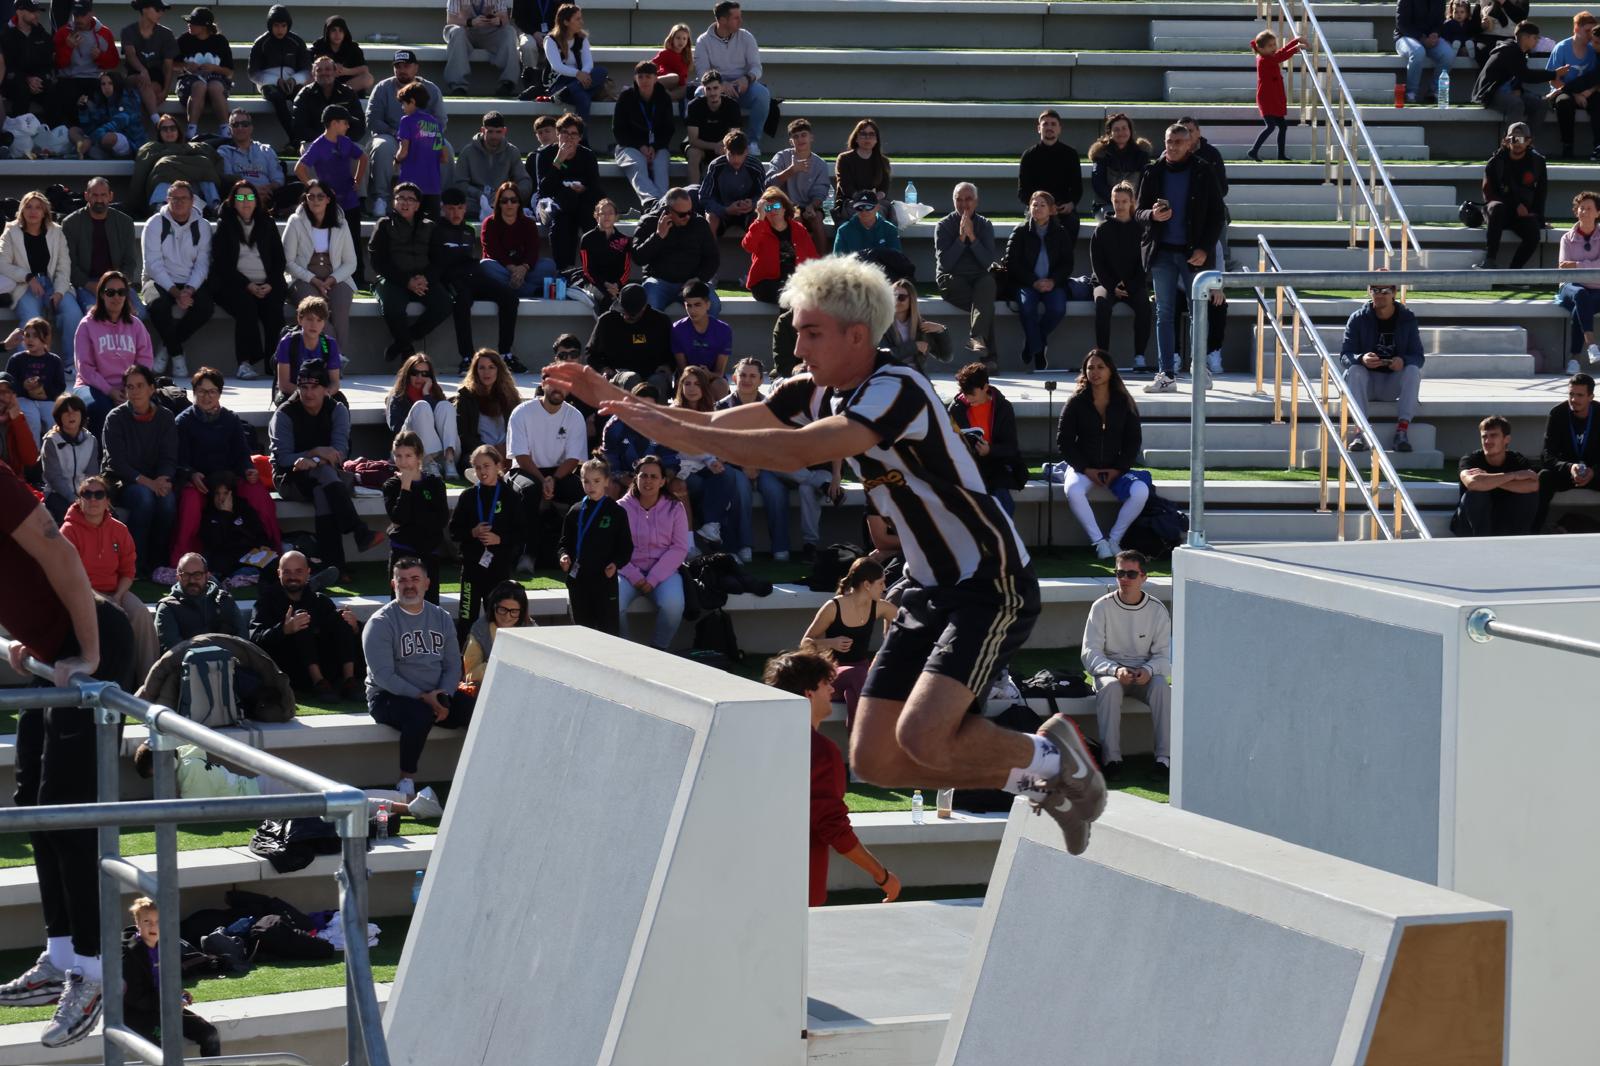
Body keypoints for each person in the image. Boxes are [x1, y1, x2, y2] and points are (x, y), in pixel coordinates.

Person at [544, 256, 1107, 853]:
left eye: (811, 332)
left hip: (989, 580)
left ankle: (1052, 755)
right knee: (879, 759)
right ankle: (1046, 782)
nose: (797, 343)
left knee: (922, 734)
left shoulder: (899, 390)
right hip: (925, 584)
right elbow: (715, 422)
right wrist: (624, 403)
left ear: (856, 336)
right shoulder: (820, 391)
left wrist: (653, 420)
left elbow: (790, 451)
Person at [0, 459, 137, 1051]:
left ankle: (97, 972)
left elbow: (58, 551)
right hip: (51, 654)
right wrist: (30, 643)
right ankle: (60, 956)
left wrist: (86, 652)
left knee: (70, 814)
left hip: (91, 646)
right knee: (34, 801)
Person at [763, 649, 900, 906]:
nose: (831, 691)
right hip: (796, 888)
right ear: (809, 693)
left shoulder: (757, 741)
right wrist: (882, 876)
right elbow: (833, 828)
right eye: (826, 684)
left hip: (751, 880)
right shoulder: (821, 751)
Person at [714, 357, 837, 562]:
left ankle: (780, 547)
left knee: (776, 491)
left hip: (765, 466)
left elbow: (773, 443)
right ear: (734, 377)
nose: (747, 380)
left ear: (761, 380)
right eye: (743, 375)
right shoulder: (721, 406)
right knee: (742, 490)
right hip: (733, 466)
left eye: (752, 376)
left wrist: (757, 464)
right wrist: (743, 464)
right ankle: (744, 545)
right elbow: (719, 444)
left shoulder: (772, 407)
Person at [268, 359, 385, 573]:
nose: (308, 393)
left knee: (322, 491)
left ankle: (334, 567)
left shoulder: (337, 410)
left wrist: (312, 461)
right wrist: (315, 452)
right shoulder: (284, 414)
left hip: (325, 477)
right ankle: (358, 531)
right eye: (303, 387)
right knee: (324, 474)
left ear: (326, 389)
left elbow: (339, 453)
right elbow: (283, 459)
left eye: (314, 387)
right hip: (289, 479)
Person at [364, 557, 467, 796]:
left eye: (415, 579)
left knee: (474, 708)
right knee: (419, 713)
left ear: (427, 583)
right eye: (403, 580)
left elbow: (453, 665)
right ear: (393, 584)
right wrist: (424, 697)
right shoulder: (380, 622)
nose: (409, 585)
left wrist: (443, 695)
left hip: (436, 693)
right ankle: (405, 781)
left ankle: (477, 774)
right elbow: (384, 676)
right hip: (389, 697)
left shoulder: (441, 617)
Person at [1135, 122, 1225, 393]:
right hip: (1162, 252)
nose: (1172, 146)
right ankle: (1166, 374)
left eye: (1178, 142)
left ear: (1189, 144)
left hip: (1193, 254)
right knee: (1164, 313)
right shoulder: (1153, 171)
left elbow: (1217, 215)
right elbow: (1138, 212)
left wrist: (1204, 249)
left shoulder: (1203, 171)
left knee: (1199, 310)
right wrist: (1152, 215)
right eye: (1168, 141)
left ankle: (1200, 369)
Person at [170, 366, 280, 566]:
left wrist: (248, 469)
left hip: (229, 480)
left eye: (212, 391)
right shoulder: (183, 422)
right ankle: (183, 560)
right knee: (190, 502)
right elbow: (178, 461)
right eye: (202, 391)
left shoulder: (231, 419)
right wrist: (191, 474)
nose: (207, 396)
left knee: (258, 494)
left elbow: (242, 454)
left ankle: (274, 552)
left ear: (219, 393)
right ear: (194, 393)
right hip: (200, 484)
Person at [1081, 549, 1171, 782]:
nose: (1124, 579)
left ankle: (1165, 759)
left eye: (1131, 574)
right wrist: (1114, 670)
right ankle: (1111, 759)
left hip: (1145, 674)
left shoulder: (1157, 610)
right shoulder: (1101, 607)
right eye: (1120, 573)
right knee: (1110, 688)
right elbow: (1089, 653)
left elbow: (1164, 657)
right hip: (1111, 673)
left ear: (1144, 577)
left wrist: (1149, 670)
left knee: (1162, 687)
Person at [59, 471, 159, 675]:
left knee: (140, 614)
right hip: (83, 594)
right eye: (87, 494)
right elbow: (68, 576)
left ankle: (150, 682)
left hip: (115, 591)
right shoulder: (68, 531)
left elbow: (128, 570)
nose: (92, 499)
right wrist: (104, 601)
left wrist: (118, 596)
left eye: (99, 494)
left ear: (108, 501)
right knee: (114, 618)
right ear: (79, 500)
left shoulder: (120, 530)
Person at [1055, 350, 1149, 557]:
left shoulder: (1124, 402)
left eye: (1100, 367)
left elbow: (1133, 440)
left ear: (1110, 370)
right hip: (1083, 468)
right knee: (1073, 490)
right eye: (1090, 368)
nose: (1095, 372)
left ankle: (1114, 540)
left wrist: (1118, 469)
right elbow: (1064, 441)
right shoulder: (1076, 402)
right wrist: (1085, 469)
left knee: (1141, 491)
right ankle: (1099, 543)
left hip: (1116, 468)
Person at [249, 548, 362, 699]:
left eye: (298, 571)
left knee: (341, 618)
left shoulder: (320, 600)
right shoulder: (266, 603)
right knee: (301, 617)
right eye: (287, 572)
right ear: (279, 573)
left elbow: (342, 633)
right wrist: (284, 629)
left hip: (326, 665)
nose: (292, 577)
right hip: (292, 668)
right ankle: (318, 682)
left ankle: (349, 680)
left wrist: (354, 627)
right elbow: (255, 639)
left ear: (308, 573)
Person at [100, 363, 177, 579]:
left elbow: (169, 456)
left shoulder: (165, 417)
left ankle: (159, 560)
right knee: (144, 498)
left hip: (155, 479)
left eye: (140, 386)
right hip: (122, 482)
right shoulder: (115, 418)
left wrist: (163, 479)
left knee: (168, 500)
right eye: (130, 387)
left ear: (152, 388)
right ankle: (135, 562)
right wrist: (149, 483)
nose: (134, 392)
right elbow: (116, 463)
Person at [433, 189, 520, 374]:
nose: (456, 213)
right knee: (462, 301)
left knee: (510, 297)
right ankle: (467, 358)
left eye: (460, 208)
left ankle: (505, 354)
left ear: (465, 209)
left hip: (474, 276)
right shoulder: (435, 230)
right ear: (443, 209)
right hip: (451, 279)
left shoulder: (469, 230)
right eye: (451, 208)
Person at [800, 557, 892, 729]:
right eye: (881, 583)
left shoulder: (880, 607)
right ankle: (870, 737)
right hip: (832, 672)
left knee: (853, 692)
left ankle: (858, 744)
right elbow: (805, 643)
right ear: (867, 585)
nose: (884, 588)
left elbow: (905, 622)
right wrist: (831, 643)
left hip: (860, 675)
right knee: (858, 676)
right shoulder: (834, 607)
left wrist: (886, 645)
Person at [0, 193, 85, 380]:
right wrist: (28, 277)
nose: (33, 211)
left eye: (38, 207)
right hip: (25, 285)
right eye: (29, 206)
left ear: (45, 211)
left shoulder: (56, 231)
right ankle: (27, 369)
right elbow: (3, 263)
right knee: (31, 319)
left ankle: (71, 365)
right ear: (22, 209)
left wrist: (60, 292)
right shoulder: (11, 231)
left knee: (73, 313)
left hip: (54, 284)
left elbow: (64, 266)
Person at [505, 366, 585, 561]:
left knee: (582, 492)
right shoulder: (522, 412)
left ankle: (574, 552)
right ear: (543, 384)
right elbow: (521, 456)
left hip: (559, 472)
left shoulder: (575, 416)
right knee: (530, 490)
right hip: (524, 470)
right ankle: (526, 553)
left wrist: (554, 479)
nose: (558, 388)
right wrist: (543, 481)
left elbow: (574, 458)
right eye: (553, 383)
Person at [211, 180, 287, 378]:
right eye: (241, 197)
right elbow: (222, 264)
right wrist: (248, 285)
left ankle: (275, 364)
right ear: (233, 201)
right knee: (246, 308)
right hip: (234, 285)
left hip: (268, 284)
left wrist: (270, 283)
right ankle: (245, 363)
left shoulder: (267, 223)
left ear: (256, 201)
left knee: (274, 312)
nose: (246, 202)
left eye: (250, 197)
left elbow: (279, 259)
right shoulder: (225, 224)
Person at [1339, 279, 1424, 452]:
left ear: (1394, 292)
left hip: (1392, 382)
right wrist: (1361, 358)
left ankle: (1402, 431)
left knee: (1413, 371)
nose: (1379, 294)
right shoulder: (1357, 318)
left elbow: (1418, 356)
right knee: (1354, 370)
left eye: (1385, 290)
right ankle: (1360, 432)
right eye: (1375, 290)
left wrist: (1403, 361)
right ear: (1369, 291)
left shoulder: (1407, 318)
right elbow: (1345, 355)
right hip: (1366, 382)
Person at [139, 180, 213, 378]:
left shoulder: (203, 225)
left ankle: (167, 348)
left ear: (192, 200)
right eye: (174, 198)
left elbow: (202, 263)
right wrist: (175, 292)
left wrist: (188, 290)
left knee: (205, 308)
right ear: (167, 200)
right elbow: (154, 264)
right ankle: (178, 355)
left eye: (183, 198)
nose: (179, 202)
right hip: (157, 280)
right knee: (157, 306)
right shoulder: (154, 223)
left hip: (190, 282)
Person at [614, 453, 688, 649]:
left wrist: (653, 578)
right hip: (627, 572)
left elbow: (679, 547)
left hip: (664, 573)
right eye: (643, 475)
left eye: (654, 476)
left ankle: (658, 650)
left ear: (663, 481)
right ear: (635, 478)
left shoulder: (675, 508)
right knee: (612, 603)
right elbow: (613, 547)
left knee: (673, 606)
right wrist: (634, 575)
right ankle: (626, 651)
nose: (648, 480)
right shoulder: (619, 508)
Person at [372, 182, 452, 363]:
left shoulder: (430, 226)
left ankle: (402, 342)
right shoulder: (384, 225)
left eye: (410, 199)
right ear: (394, 202)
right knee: (393, 307)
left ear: (417, 205)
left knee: (444, 305)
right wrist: (406, 281)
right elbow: (378, 262)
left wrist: (425, 278)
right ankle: (407, 350)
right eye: (400, 198)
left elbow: (439, 260)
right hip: (394, 279)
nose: (404, 203)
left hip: (423, 279)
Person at [366, 50, 449, 218]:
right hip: (390, 135)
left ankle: (443, 199)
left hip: (421, 137)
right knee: (383, 146)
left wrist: (418, 137)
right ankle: (382, 198)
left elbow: (441, 121)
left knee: (447, 146)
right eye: (398, 66)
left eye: (406, 66)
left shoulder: (431, 89)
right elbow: (372, 119)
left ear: (416, 68)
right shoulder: (382, 88)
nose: (402, 69)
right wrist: (398, 134)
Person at [450, 445, 522, 638]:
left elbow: (521, 533)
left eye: (487, 466)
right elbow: (453, 531)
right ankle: (464, 664)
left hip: (498, 569)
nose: (482, 471)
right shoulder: (469, 496)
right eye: (478, 467)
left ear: (498, 465)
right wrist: (472, 532)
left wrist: (500, 539)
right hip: (472, 569)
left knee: (498, 620)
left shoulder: (510, 496)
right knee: (466, 618)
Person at [294, 104, 367, 286]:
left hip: (350, 201)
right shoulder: (318, 145)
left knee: (355, 241)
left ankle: (358, 279)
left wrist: (357, 180)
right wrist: (316, 189)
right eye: (344, 123)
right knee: (332, 244)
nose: (347, 126)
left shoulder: (345, 141)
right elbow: (299, 168)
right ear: (334, 123)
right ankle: (335, 277)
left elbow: (363, 157)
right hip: (331, 205)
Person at [673, 365, 743, 553]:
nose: (692, 388)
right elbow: (684, 448)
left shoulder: (713, 411)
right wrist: (710, 460)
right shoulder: (673, 412)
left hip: (706, 466)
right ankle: (706, 541)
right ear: (681, 387)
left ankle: (718, 535)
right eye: (687, 384)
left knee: (729, 479)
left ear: (704, 388)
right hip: (681, 468)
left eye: (697, 384)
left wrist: (718, 459)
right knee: (707, 488)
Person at [72, 269, 152, 433]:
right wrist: (110, 391)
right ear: (101, 294)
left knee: (155, 409)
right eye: (110, 292)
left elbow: (145, 361)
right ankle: (102, 457)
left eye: (121, 292)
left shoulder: (136, 325)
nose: (116, 297)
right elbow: (85, 368)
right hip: (92, 386)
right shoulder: (87, 325)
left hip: (129, 387)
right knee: (99, 409)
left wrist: (131, 389)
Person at [559, 456, 632, 633]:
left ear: (607, 481)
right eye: (586, 481)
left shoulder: (616, 512)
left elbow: (626, 547)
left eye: (596, 481)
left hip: (604, 581)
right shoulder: (575, 511)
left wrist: (615, 563)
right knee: (582, 630)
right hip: (578, 580)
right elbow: (564, 542)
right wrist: (563, 555)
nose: (591, 486)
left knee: (608, 630)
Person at [283, 179, 357, 353]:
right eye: (311, 196)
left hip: (336, 276)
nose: (315, 201)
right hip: (304, 277)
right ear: (305, 199)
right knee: (317, 313)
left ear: (328, 199)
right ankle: (333, 357)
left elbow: (350, 262)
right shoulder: (295, 221)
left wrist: (332, 279)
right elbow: (288, 262)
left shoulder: (341, 223)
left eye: (320, 196)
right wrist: (314, 280)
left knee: (340, 310)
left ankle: (339, 358)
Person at [62, 178, 143, 336]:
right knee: (98, 315)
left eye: (103, 195)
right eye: (94, 195)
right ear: (86, 196)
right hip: (87, 283)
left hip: (117, 282)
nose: (99, 199)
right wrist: (93, 286)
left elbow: (130, 262)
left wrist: (118, 289)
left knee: (139, 313)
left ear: (110, 196)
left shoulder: (124, 222)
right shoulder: (71, 223)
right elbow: (69, 265)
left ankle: (127, 358)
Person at [1004, 190, 1074, 372]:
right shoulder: (1020, 231)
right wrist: (1033, 281)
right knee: (1027, 307)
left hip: (1053, 283)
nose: (1037, 208)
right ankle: (1038, 350)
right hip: (1027, 284)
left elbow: (1068, 263)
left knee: (1057, 309)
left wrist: (1053, 280)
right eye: (1034, 204)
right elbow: (1011, 262)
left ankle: (1033, 342)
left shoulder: (1060, 232)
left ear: (1051, 210)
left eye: (1042, 205)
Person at [947, 361, 1025, 515]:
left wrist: (990, 450)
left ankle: (1004, 538)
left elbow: (1011, 447)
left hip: (996, 466)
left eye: (972, 394)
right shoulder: (956, 409)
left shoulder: (1003, 408)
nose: (968, 399)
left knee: (1003, 505)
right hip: (968, 466)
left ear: (985, 387)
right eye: (965, 393)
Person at [934, 182, 998, 364]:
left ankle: (978, 340)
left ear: (976, 202)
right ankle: (989, 359)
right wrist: (962, 238)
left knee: (988, 283)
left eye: (968, 199)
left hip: (978, 278)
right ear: (953, 201)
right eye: (959, 199)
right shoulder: (944, 225)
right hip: (952, 279)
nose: (964, 204)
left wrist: (973, 237)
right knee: (985, 305)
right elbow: (946, 264)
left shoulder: (984, 225)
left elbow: (987, 262)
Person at [695, 2, 770, 155]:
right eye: (736, 18)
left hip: (742, 85)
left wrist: (746, 79)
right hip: (715, 84)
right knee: (699, 95)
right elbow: (703, 73)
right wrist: (721, 85)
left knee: (762, 94)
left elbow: (757, 67)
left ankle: (752, 142)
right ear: (722, 20)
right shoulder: (703, 41)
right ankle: (705, 142)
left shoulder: (746, 37)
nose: (740, 21)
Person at [1092, 181, 1152, 370]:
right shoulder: (1102, 229)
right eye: (1116, 201)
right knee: (1102, 304)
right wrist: (1112, 286)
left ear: (1132, 202)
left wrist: (1131, 286)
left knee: (1144, 305)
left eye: (1124, 201)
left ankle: (1140, 356)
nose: (1119, 205)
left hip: (1133, 283)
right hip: (1106, 283)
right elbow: (1098, 264)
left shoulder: (1142, 229)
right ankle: (1103, 357)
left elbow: (1144, 263)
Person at [383, 430, 450, 600]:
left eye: (408, 455)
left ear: (419, 456)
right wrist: (406, 488)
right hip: (402, 553)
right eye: (398, 456)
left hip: (429, 554)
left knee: (431, 605)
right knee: (400, 606)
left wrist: (413, 514)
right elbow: (398, 518)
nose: (403, 461)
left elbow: (441, 520)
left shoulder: (434, 483)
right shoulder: (392, 485)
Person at [1452, 414, 1539, 536]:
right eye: (1484, 437)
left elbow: (1533, 485)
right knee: (1476, 494)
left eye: (1493, 436)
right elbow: (1473, 483)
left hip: (1504, 522)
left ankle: (1519, 541)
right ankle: (1480, 542)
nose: (1487, 441)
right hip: (1471, 526)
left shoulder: (1517, 459)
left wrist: (1487, 480)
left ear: (1506, 439)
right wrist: (1513, 475)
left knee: (1528, 496)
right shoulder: (1470, 459)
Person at [534, 111, 601, 269]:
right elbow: (543, 189)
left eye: (573, 134)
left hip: (580, 202)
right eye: (565, 133)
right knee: (561, 222)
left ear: (579, 138)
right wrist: (558, 161)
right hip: (553, 203)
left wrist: (583, 189)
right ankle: (565, 270)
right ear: (557, 134)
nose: (569, 137)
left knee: (589, 219)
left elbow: (596, 188)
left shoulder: (587, 156)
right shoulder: (545, 155)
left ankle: (593, 270)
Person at [1473, 20, 1567, 128]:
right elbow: (1526, 75)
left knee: (1541, 104)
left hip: (1508, 89)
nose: (1537, 41)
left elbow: (1516, 73)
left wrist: (1516, 87)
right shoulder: (1510, 50)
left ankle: (1527, 141)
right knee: (1516, 104)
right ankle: (1511, 142)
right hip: (1491, 92)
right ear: (1525, 37)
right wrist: (1554, 74)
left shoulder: (1519, 52)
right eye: (1535, 38)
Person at [1535, 372, 1600, 528]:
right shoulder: (1558, 414)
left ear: (1591, 397)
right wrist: (1569, 467)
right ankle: (1533, 530)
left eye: (1579, 395)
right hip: (1566, 473)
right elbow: (1547, 456)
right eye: (1571, 394)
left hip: (1595, 472)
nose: (1573, 400)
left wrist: (1594, 471)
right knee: (1544, 477)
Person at [1480, 121, 1547, 270]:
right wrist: (1515, 205)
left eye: (1521, 139)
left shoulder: (1538, 162)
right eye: (1512, 139)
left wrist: (1538, 218)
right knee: (1497, 208)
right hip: (1499, 212)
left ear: (1529, 141)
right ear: (1506, 140)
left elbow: (1541, 193)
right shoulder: (1496, 161)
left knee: (1533, 234)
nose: (1516, 143)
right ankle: (1490, 260)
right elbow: (1489, 193)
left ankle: (1514, 272)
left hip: (1521, 214)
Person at [586, 282, 674, 393]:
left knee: (658, 382)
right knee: (631, 378)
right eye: (624, 311)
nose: (626, 316)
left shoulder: (661, 321)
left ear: (644, 307)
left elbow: (673, 352)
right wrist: (603, 368)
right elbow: (591, 353)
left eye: (632, 314)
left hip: (652, 374)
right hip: (620, 374)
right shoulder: (607, 321)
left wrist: (668, 366)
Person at [613, 62, 676, 214]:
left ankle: (661, 206)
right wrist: (640, 146)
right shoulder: (626, 97)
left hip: (657, 146)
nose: (644, 80)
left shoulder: (664, 98)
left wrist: (655, 147)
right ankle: (655, 203)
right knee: (637, 163)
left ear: (656, 78)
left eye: (648, 76)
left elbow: (668, 129)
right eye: (640, 76)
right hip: (628, 145)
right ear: (635, 79)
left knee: (660, 165)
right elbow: (618, 130)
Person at [127, 114, 223, 215]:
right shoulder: (152, 148)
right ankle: (158, 206)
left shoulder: (194, 147)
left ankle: (214, 205)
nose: (169, 132)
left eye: (172, 128)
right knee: (164, 166)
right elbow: (141, 171)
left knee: (204, 164)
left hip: (194, 194)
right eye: (164, 129)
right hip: (166, 192)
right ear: (159, 132)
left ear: (178, 130)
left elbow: (215, 163)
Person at [479, 179, 557, 301]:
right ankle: (531, 290)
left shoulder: (529, 223)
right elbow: (493, 252)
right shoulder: (489, 223)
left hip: (524, 270)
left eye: (513, 200)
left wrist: (523, 269)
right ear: (498, 203)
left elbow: (533, 250)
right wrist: (513, 269)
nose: (509, 204)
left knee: (549, 266)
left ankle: (512, 287)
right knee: (484, 266)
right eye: (504, 201)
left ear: (519, 203)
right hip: (501, 268)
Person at [386, 353, 461, 477]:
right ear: (407, 374)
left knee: (445, 406)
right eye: (415, 373)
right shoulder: (397, 397)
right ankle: (429, 462)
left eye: (425, 374)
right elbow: (397, 430)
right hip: (412, 455)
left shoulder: (435, 393)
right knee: (421, 406)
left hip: (442, 457)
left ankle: (450, 461)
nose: (419, 377)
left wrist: (426, 394)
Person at [764, 118, 831, 255]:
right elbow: (769, 184)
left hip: (809, 206)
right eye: (796, 136)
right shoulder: (781, 157)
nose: (800, 139)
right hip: (782, 205)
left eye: (804, 135)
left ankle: (823, 262)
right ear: (791, 141)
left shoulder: (820, 164)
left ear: (811, 137)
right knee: (796, 217)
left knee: (817, 218)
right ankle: (797, 263)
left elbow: (820, 193)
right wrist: (791, 171)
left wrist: (812, 206)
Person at [742, 186, 819, 304]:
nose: (773, 210)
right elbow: (748, 246)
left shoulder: (799, 229)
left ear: (784, 208)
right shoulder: (759, 228)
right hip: (765, 283)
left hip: (795, 281)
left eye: (776, 206)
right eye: (768, 207)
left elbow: (813, 258)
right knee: (789, 297)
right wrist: (760, 217)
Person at [154, 551, 245, 650]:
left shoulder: (225, 600)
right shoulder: (168, 607)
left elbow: (243, 643)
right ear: (178, 577)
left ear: (207, 576)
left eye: (197, 575)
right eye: (185, 575)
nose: (192, 580)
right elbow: (173, 651)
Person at [458, 579, 528, 707]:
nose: (507, 617)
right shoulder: (480, 629)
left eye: (514, 612)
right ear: (494, 606)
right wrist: (500, 663)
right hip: (487, 695)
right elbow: (470, 674)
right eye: (502, 610)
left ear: (522, 612)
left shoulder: (531, 628)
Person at [51, 0, 120, 129]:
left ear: (91, 14)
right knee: (64, 94)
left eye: (82, 15)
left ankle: (95, 131)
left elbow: (114, 62)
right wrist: (68, 48)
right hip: (69, 79)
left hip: (93, 78)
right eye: (76, 15)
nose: (78, 19)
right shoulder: (63, 32)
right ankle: (69, 132)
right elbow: (57, 64)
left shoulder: (104, 33)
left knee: (98, 95)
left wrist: (100, 57)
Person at [1016, 109, 1081, 244]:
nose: (1049, 127)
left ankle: (1064, 264)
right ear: (1038, 128)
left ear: (1059, 129)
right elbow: (1022, 192)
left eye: (1053, 124)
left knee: (1072, 223)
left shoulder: (1071, 154)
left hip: (1062, 209)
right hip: (1037, 207)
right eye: (1045, 124)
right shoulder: (1028, 156)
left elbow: (1077, 189)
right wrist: (1041, 206)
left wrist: (1070, 204)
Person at [454, 349, 521, 477]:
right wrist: (489, 450)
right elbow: (464, 435)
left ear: (498, 370)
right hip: (480, 451)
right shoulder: (466, 397)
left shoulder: (510, 396)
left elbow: (520, 429)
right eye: (482, 368)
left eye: (491, 367)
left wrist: (506, 447)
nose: (486, 372)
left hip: (507, 450)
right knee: (472, 462)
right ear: (475, 371)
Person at [218, 109, 296, 219]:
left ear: (251, 128)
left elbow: (278, 180)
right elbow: (228, 179)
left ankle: (272, 209)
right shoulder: (224, 151)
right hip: (240, 196)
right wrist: (253, 190)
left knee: (299, 187)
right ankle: (275, 211)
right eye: (235, 125)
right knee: (230, 190)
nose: (240, 128)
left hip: (268, 195)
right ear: (230, 129)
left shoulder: (266, 150)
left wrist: (266, 189)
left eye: (244, 124)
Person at [248, 5, 309, 144]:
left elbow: (306, 69)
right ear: (270, 25)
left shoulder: (297, 42)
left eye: (283, 25)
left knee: (303, 98)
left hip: (293, 83)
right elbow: (253, 73)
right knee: (277, 97)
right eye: (276, 25)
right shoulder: (261, 43)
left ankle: (304, 136)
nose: (280, 29)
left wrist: (294, 79)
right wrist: (276, 81)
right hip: (268, 84)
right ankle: (295, 138)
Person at [459, 110, 533, 221]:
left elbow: (524, 181)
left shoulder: (512, 152)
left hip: (502, 203)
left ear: (504, 131)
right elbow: (459, 183)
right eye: (490, 132)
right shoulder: (467, 152)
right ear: (483, 130)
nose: (494, 136)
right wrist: (480, 195)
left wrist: (506, 195)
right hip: (474, 203)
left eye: (498, 132)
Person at [174, 6, 232, 142]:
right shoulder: (183, 40)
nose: (189, 25)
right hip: (189, 83)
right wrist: (187, 66)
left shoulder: (220, 41)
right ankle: (191, 132)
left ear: (204, 26)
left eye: (193, 23)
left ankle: (226, 131)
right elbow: (172, 64)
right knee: (199, 86)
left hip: (216, 81)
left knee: (215, 87)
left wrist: (214, 68)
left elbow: (229, 71)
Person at [1547, 11, 1600, 160]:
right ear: (1576, 29)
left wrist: (1588, 92)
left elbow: (1597, 78)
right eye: (1587, 30)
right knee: (1564, 102)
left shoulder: (1595, 49)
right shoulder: (1562, 47)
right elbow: (1552, 79)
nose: (1591, 35)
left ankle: (1598, 146)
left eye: (1593, 30)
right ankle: (1567, 145)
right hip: (1563, 90)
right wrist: (1575, 94)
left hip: (1587, 93)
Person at [6, 318, 67, 446]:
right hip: (23, 399)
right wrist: (23, 387)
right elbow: (9, 385)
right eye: (27, 335)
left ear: (45, 338)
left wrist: (45, 393)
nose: (30, 339)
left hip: (47, 399)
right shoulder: (16, 359)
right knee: (32, 419)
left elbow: (60, 385)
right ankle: (34, 457)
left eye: (35, 336)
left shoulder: (54, 360)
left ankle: (53, 453)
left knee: (53, 420)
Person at [1558, 190, 1600, 372]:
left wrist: (1576, 265)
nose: (1584, 212)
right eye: (1581, 208)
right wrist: (1589, 266)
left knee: (1580, 307)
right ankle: (1591, 345)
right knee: (1580, 294)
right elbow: (1563, 268)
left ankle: (1574, 359)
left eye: (1589, 208)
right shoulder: (1567, 238)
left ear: (1598, 213)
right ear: (1576, 212)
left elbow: (1571, 266)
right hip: (1570, 286)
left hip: (1597, 289)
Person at [273, 295, 345, 402]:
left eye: (319, 320)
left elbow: (335, 383)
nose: (314, 325)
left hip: (320, 394)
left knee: (341, 401)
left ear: (324, 323)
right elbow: (284, 385)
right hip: (293, 392)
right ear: (300, 319)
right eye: (310, 319)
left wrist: (324, 393)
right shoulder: (288, 342)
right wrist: (307, 394)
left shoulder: (329, 344)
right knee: (285, 402)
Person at [395, 82, 451, 217]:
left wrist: (396, 159)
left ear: (412, 102)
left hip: (411, 187)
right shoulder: (435, 123)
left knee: (408, 227)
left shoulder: (406, 121)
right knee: (430, 229)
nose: (403, 108)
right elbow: (444, 157)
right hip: (433, 185)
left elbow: (404, 151)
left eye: (404, 104)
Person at [443, 0, 519, 98]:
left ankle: (507, 83)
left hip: (489, 33)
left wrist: (498, 20)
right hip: (465, 32)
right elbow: (450, 20)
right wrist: (470, 22)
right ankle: (458, 87)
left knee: (509, 31)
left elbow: (505, 20)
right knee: (456, 32)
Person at [543, 3, 607, 121]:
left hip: (578, 80)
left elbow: (588, 63)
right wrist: (578, 74)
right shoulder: (550, 40)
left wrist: (583, 74)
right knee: (583, 98)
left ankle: (564, 94)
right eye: (577, 19)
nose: (581, 22)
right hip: (559, 82)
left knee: (602, 71)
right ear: (566, 22)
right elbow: (556, 66)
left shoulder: (582, 38)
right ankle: (582, 139)